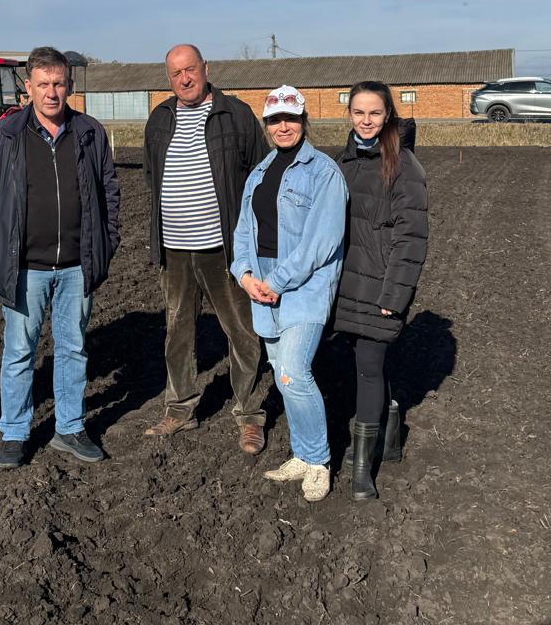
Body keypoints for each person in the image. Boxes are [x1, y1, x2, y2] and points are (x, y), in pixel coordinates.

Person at [0, 46, 121, 469]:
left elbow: (109, 191)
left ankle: (70, 427)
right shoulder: (6, 136)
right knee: (19, 351)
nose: (52, 92)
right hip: (25, 267)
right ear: (29, 87)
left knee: (73, 348)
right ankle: (16, 432)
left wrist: (107, 242)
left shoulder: (89, 132)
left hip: (77, 265)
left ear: (69, 85)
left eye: (59, 83)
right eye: (43, 84)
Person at [142, 44, 270, 454]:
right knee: (178, 330)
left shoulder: (235, 114)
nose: (184, 78)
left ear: (205, 69)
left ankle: (249, 415)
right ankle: (180, 409)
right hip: (175, 249)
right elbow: (150, 174)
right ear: (169, 78)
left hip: (224, 248)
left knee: (241, 331)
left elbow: (260, 174)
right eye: (176, 73)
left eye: (191, 69)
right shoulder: (159, 119)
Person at [231, 86, 347, 501]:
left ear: (304, 121)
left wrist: (277, 281)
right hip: (260, 285)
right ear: (266, 126)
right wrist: (244, 274)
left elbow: (323, 241)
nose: (284, 126)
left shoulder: (324, 172)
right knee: (282, 377)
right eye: (276, 120)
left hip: (303, 287)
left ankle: (317, 461)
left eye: (291, 119)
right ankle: (301, 452)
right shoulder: (259, 173)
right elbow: (243, 230)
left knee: (293, 372)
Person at [333, 81, 429, 500]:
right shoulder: (344, 161)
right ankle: (390, 428)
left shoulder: (404, 165)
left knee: (369, 367)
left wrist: (394, 296)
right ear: (349, 115)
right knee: (362, 361)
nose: (366, 121)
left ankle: (360, 466)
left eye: (374, 113)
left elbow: (412, 239)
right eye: (359, 112)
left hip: (381, 287)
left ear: (387, 114)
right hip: (345, 283)